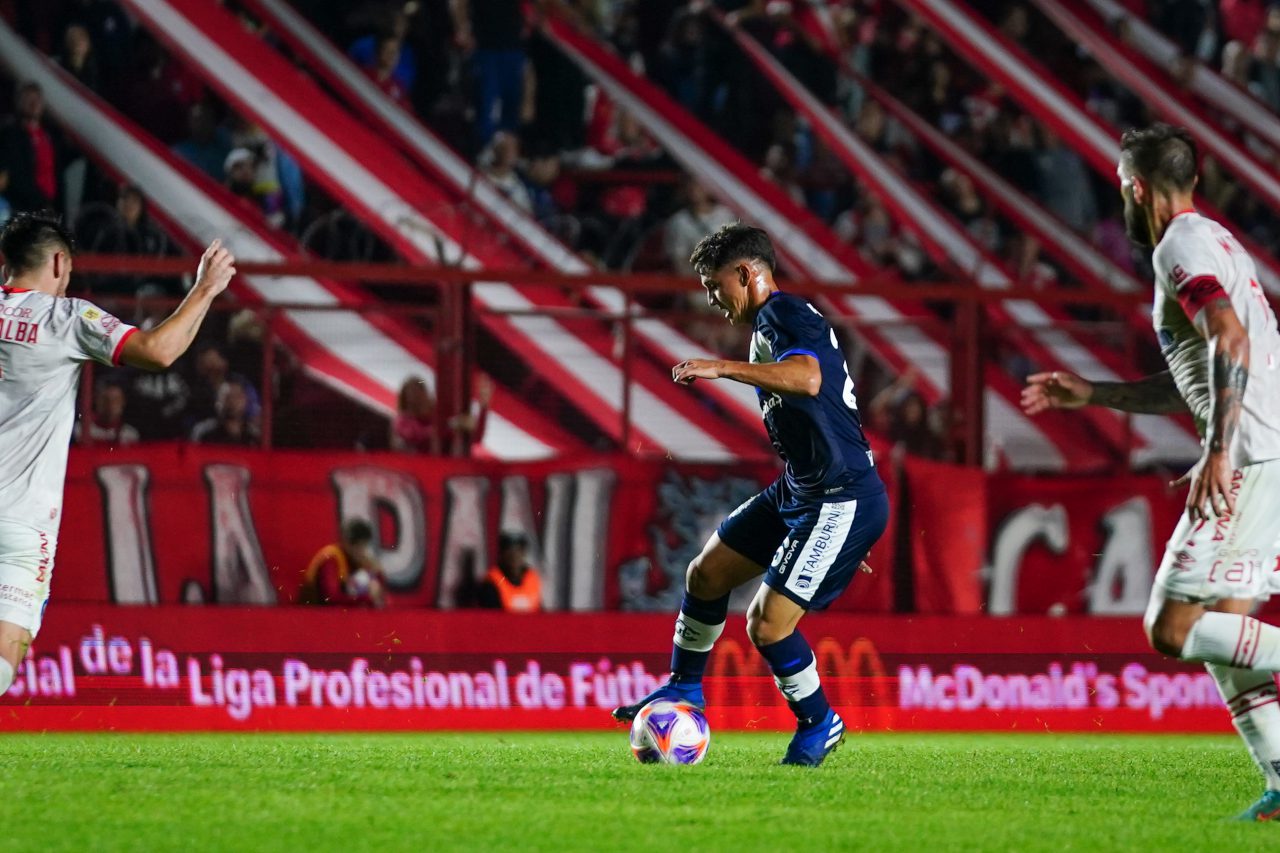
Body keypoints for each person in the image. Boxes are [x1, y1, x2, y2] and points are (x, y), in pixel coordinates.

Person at [1021, 124, 1280, 821]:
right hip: (1266, 448)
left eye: (1119, 186)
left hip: (1249, 452)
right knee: (1225, 629)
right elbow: (1196, 375)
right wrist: (1095, 393)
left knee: (1169, 628)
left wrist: (1218, 449)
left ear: (1136, 188)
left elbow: (1229, 339)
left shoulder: (1177, 248)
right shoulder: (1216, 240)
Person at [611, 223, 888, 766]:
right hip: (804, 489)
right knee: (705, 573)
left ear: (745, 273)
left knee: (766, 624)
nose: (712, 300)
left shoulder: (783, 313)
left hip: (839, 495)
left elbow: (808, 378)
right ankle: (684, 687)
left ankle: (819, 722)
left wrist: (720, 368)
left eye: (714, 287)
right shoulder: (770, 323)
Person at [0, 212, 234, 696]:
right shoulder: (66, 318)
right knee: (5, 657)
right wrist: (205, 289)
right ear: (59, 263)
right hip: (20, 523)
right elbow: (158, 350)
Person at [298, 519, 386, 608]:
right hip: (311, 610)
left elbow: (380, 597)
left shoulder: (359, 560)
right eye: (357, 546)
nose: (361, 551)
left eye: (364, 546)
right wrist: (367, 599)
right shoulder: (331, 559)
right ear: (345, 543)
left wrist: (378, 574)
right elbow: (331, 598)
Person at [477, 531, 542, 612]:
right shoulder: (493, 582)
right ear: (502, 554)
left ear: (523, 553)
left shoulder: (532, 578)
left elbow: (540, 611)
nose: (514, 556)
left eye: (518, 550)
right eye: (509, 551)